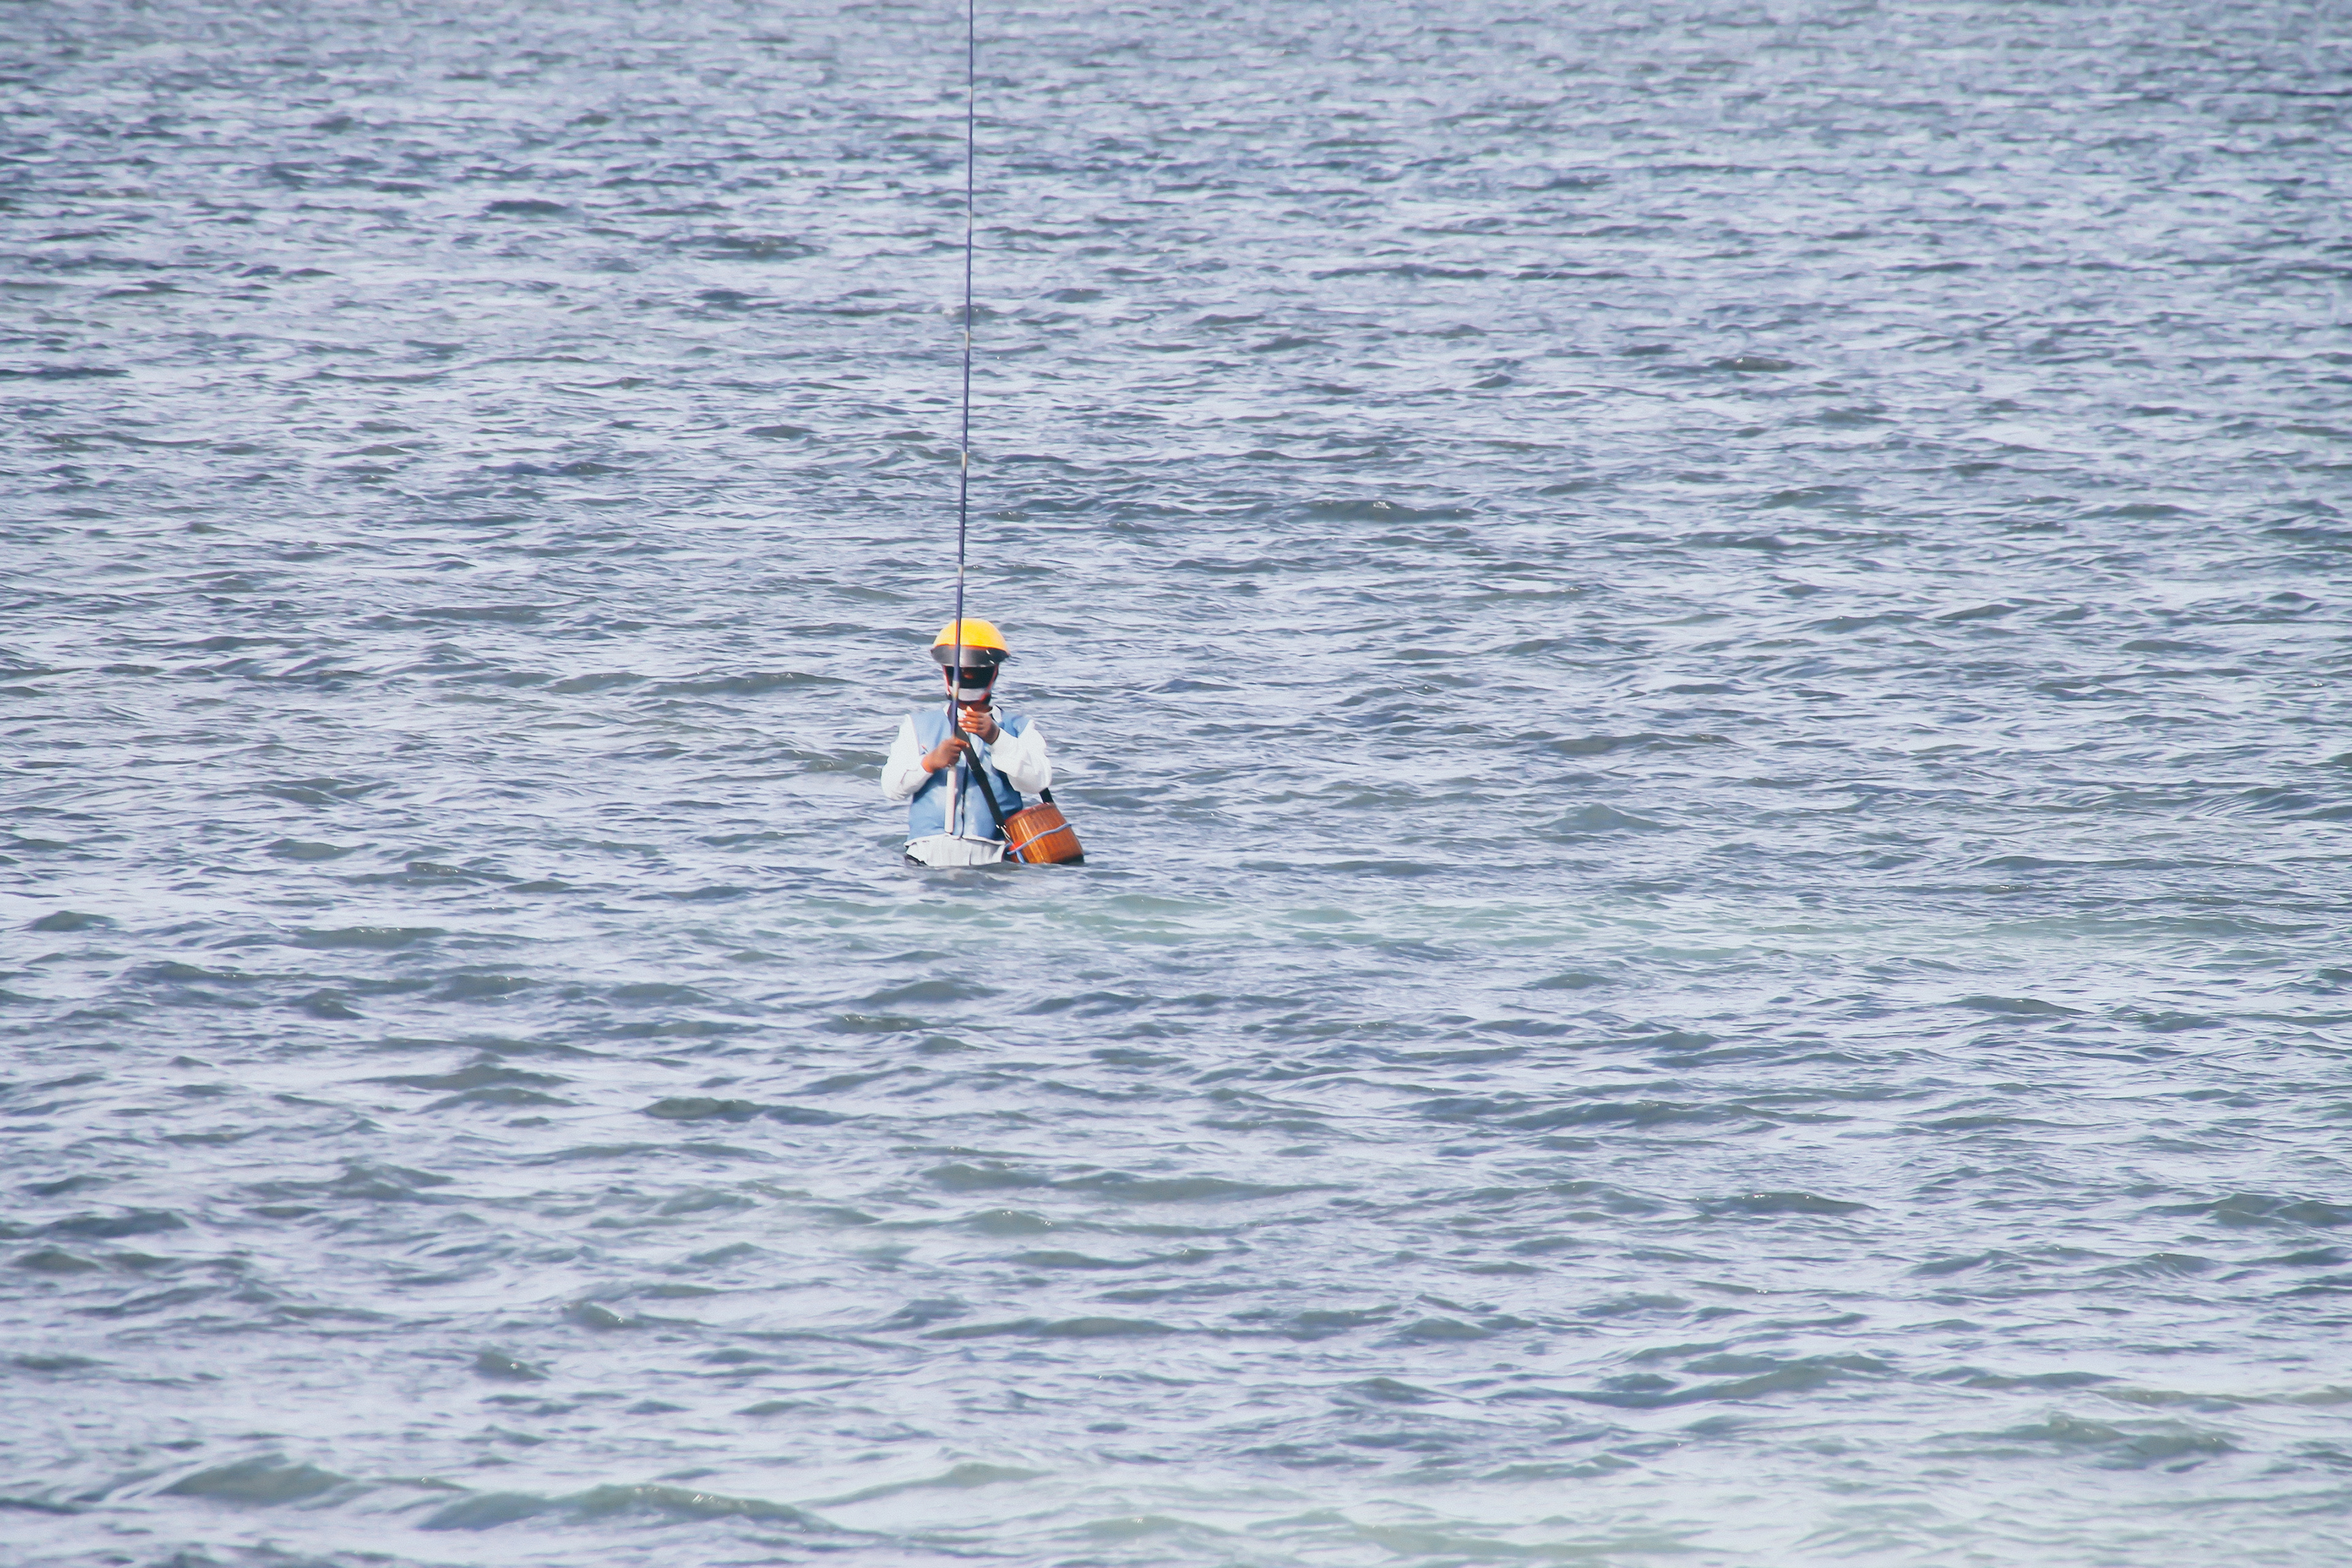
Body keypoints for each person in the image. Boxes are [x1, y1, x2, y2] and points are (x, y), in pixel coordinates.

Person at [882, 618, 1052, 865]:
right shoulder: (916, 726)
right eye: (960, 671)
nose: (968, 676)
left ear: (994, 672)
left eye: (976, 671)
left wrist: (997, 738)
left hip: (994, 860)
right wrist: (930, 763)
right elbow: (891, 788)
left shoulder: (1019, 728)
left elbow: (1038, 781)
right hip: (926, 860)